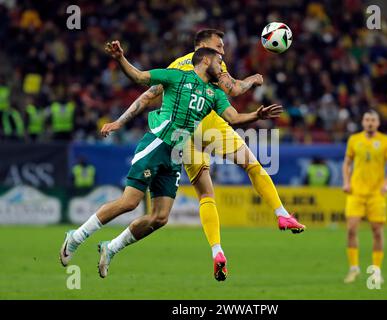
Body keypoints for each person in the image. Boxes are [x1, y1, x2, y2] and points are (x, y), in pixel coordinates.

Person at [60, 42, 282, 280]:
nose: (222, 67)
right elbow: (140, 77)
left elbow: (234, 118)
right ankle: (76, 237)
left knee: (160, 217)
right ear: (205, 61)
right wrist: (121, 58)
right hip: (158, 144)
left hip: (176, 154)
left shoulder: (215, 93)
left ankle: (111, 247)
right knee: (130, 202)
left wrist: (256, 116)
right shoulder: (176, 77)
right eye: (219, 61)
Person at [106, 29, 305, 281]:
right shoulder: (213, 67)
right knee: (252, 166)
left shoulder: (178, 66)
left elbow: (148, 94)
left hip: (183, 134)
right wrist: (253, 79)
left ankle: (217, 251)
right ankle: (281, 214)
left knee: (205, 195)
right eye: (218, 46)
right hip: (209, 123)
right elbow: (233, 89)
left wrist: (120, 122)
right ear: (203, 46)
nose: (222, 51)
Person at [342, 110, 387, 284]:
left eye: (373, 120)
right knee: (351, 228)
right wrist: (346, 182)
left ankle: (376, 271)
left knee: (377, 231)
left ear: (378, 123)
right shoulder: (354, 140)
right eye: (367, 119)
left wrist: (386, 184)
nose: (370, 123)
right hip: (356, 192)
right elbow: (347, 163)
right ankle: (354, 269)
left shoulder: (386, 141)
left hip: (376, 193)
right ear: (362, 122)